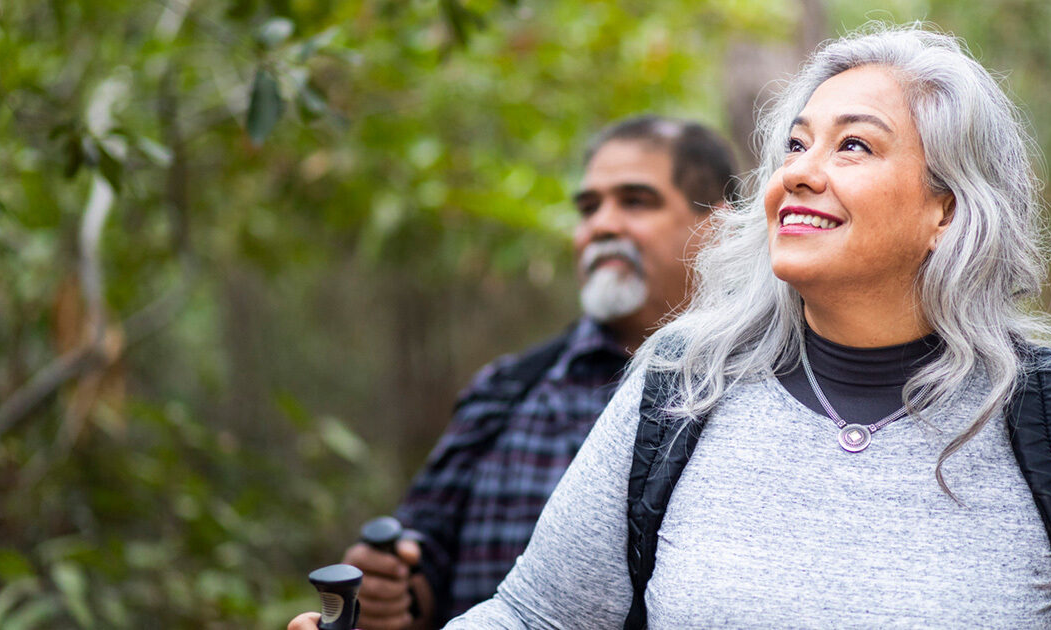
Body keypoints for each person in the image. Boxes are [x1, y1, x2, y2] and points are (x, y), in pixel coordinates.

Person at [292, 25, 1051, 630]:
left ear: (948, 213)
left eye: (854, 146)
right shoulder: (681, 388)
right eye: (795, 144)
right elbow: (539, 618)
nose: (800, 171)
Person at [294, 115, 738, 630]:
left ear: (720, 228)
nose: (602, 225)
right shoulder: (507, 390)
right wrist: (391, 592)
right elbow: (423, 557)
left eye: (635, 201)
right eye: (589, 208)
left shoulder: (770, 394)